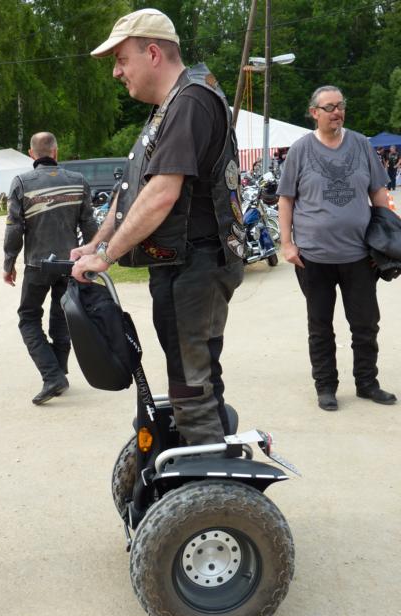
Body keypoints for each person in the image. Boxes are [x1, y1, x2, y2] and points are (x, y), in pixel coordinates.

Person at [70, 8, 245, 445]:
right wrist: (95, 243)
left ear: (152, 53)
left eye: (121, 60)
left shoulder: (190, 102)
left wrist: (106, 257)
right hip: (182, 263)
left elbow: (163, 193)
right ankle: (204, 453)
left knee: (191, 383)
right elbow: (134, 191)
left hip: (198, 263)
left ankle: (207, 477)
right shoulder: (168, 107)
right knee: (191, 372)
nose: (116, 72)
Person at [278, 85, 396, 411]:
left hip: (359, 256)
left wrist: (386, 236)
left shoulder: (361, 145)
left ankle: (367, 383)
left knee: (365, 324)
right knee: (320, 327)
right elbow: (286, 199)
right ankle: (326, 386)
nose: (336, 112)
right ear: (314, 112)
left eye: (340, 105)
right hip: (313, 257)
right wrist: (287, 244)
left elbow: (378, 192)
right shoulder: (300, 150)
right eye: (329, 107)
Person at [3, 132, 97, 405]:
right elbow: (89, 223)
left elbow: (14, 228)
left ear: (31, 154)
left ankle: (52, 375)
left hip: (37, 265)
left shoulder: (22, 182)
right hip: (70, 265)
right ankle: (58, 372)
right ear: (56, 152)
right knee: (62, 317)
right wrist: (92, 258)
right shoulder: (78, 180)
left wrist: (9, 263)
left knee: (28, 318)